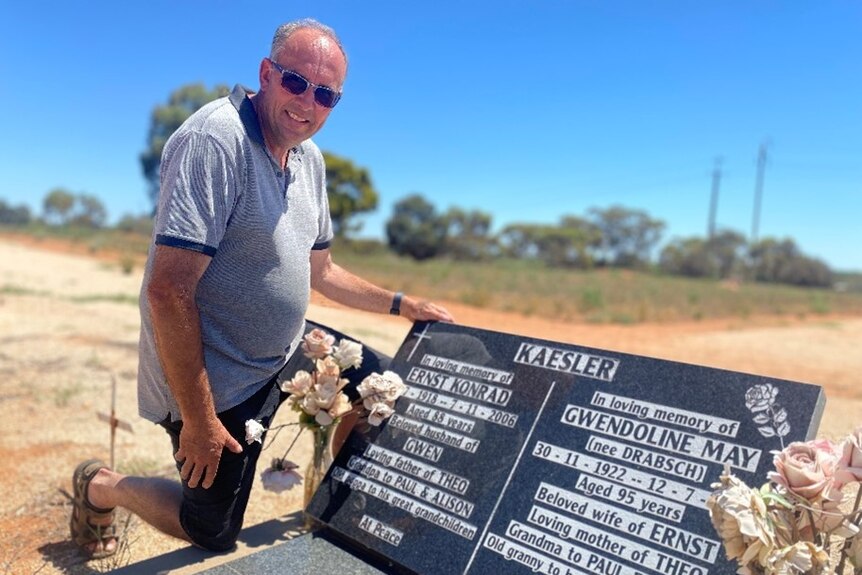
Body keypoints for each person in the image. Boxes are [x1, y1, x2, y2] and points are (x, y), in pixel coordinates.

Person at [69, 18, 453, 558]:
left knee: (380, 393)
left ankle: (330, 513)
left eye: (326, 94)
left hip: (291, 349)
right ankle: (102, 485)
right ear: (266, 74)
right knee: (212, 532)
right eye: (296, 82)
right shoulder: (215, 139)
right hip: (218, 377)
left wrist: (401, 304)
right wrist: (199, 421)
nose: (308, 102)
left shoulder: (309, 160)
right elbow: (168, 292)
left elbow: (322, 272)